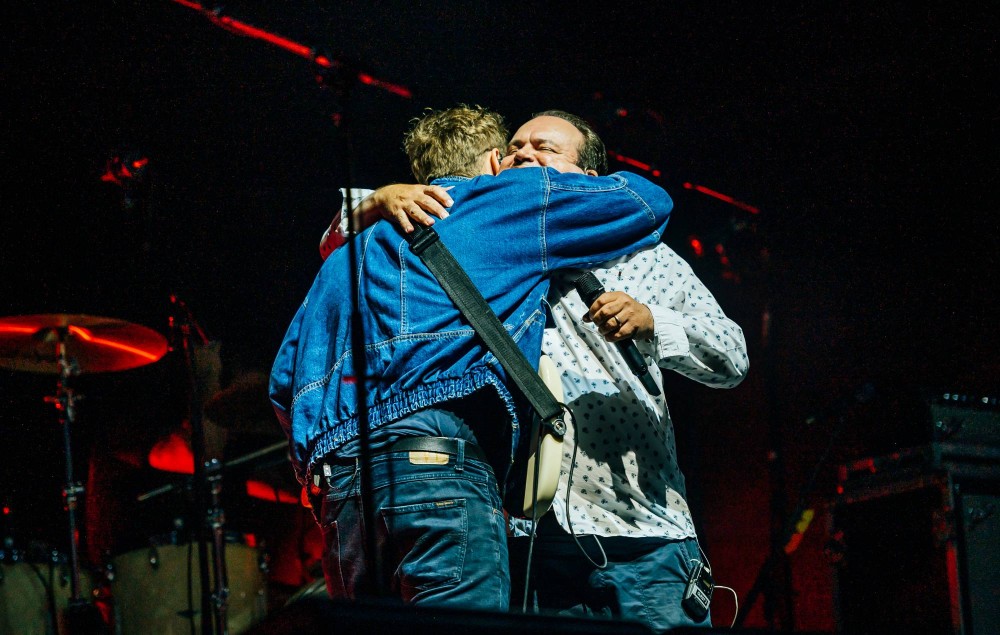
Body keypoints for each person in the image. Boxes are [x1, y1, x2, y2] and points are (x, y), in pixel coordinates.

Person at [339, 110, 748, 632]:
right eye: (515, 148)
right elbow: (344, 240)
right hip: (529, 542)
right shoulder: (487, 239)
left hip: (642, 535)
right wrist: (378, 197)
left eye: (546, 148)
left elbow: (732, 356)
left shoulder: (646, 256)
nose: (525, 155)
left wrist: (653, 322)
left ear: (591, 182)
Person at [268, 105, 674, 612]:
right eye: (513, 153)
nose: (523, 160)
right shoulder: (508, 199)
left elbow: (284, 382)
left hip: (340, 497)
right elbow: (645, 200)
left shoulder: (348, 254)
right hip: (438, 466)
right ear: (494, 162)